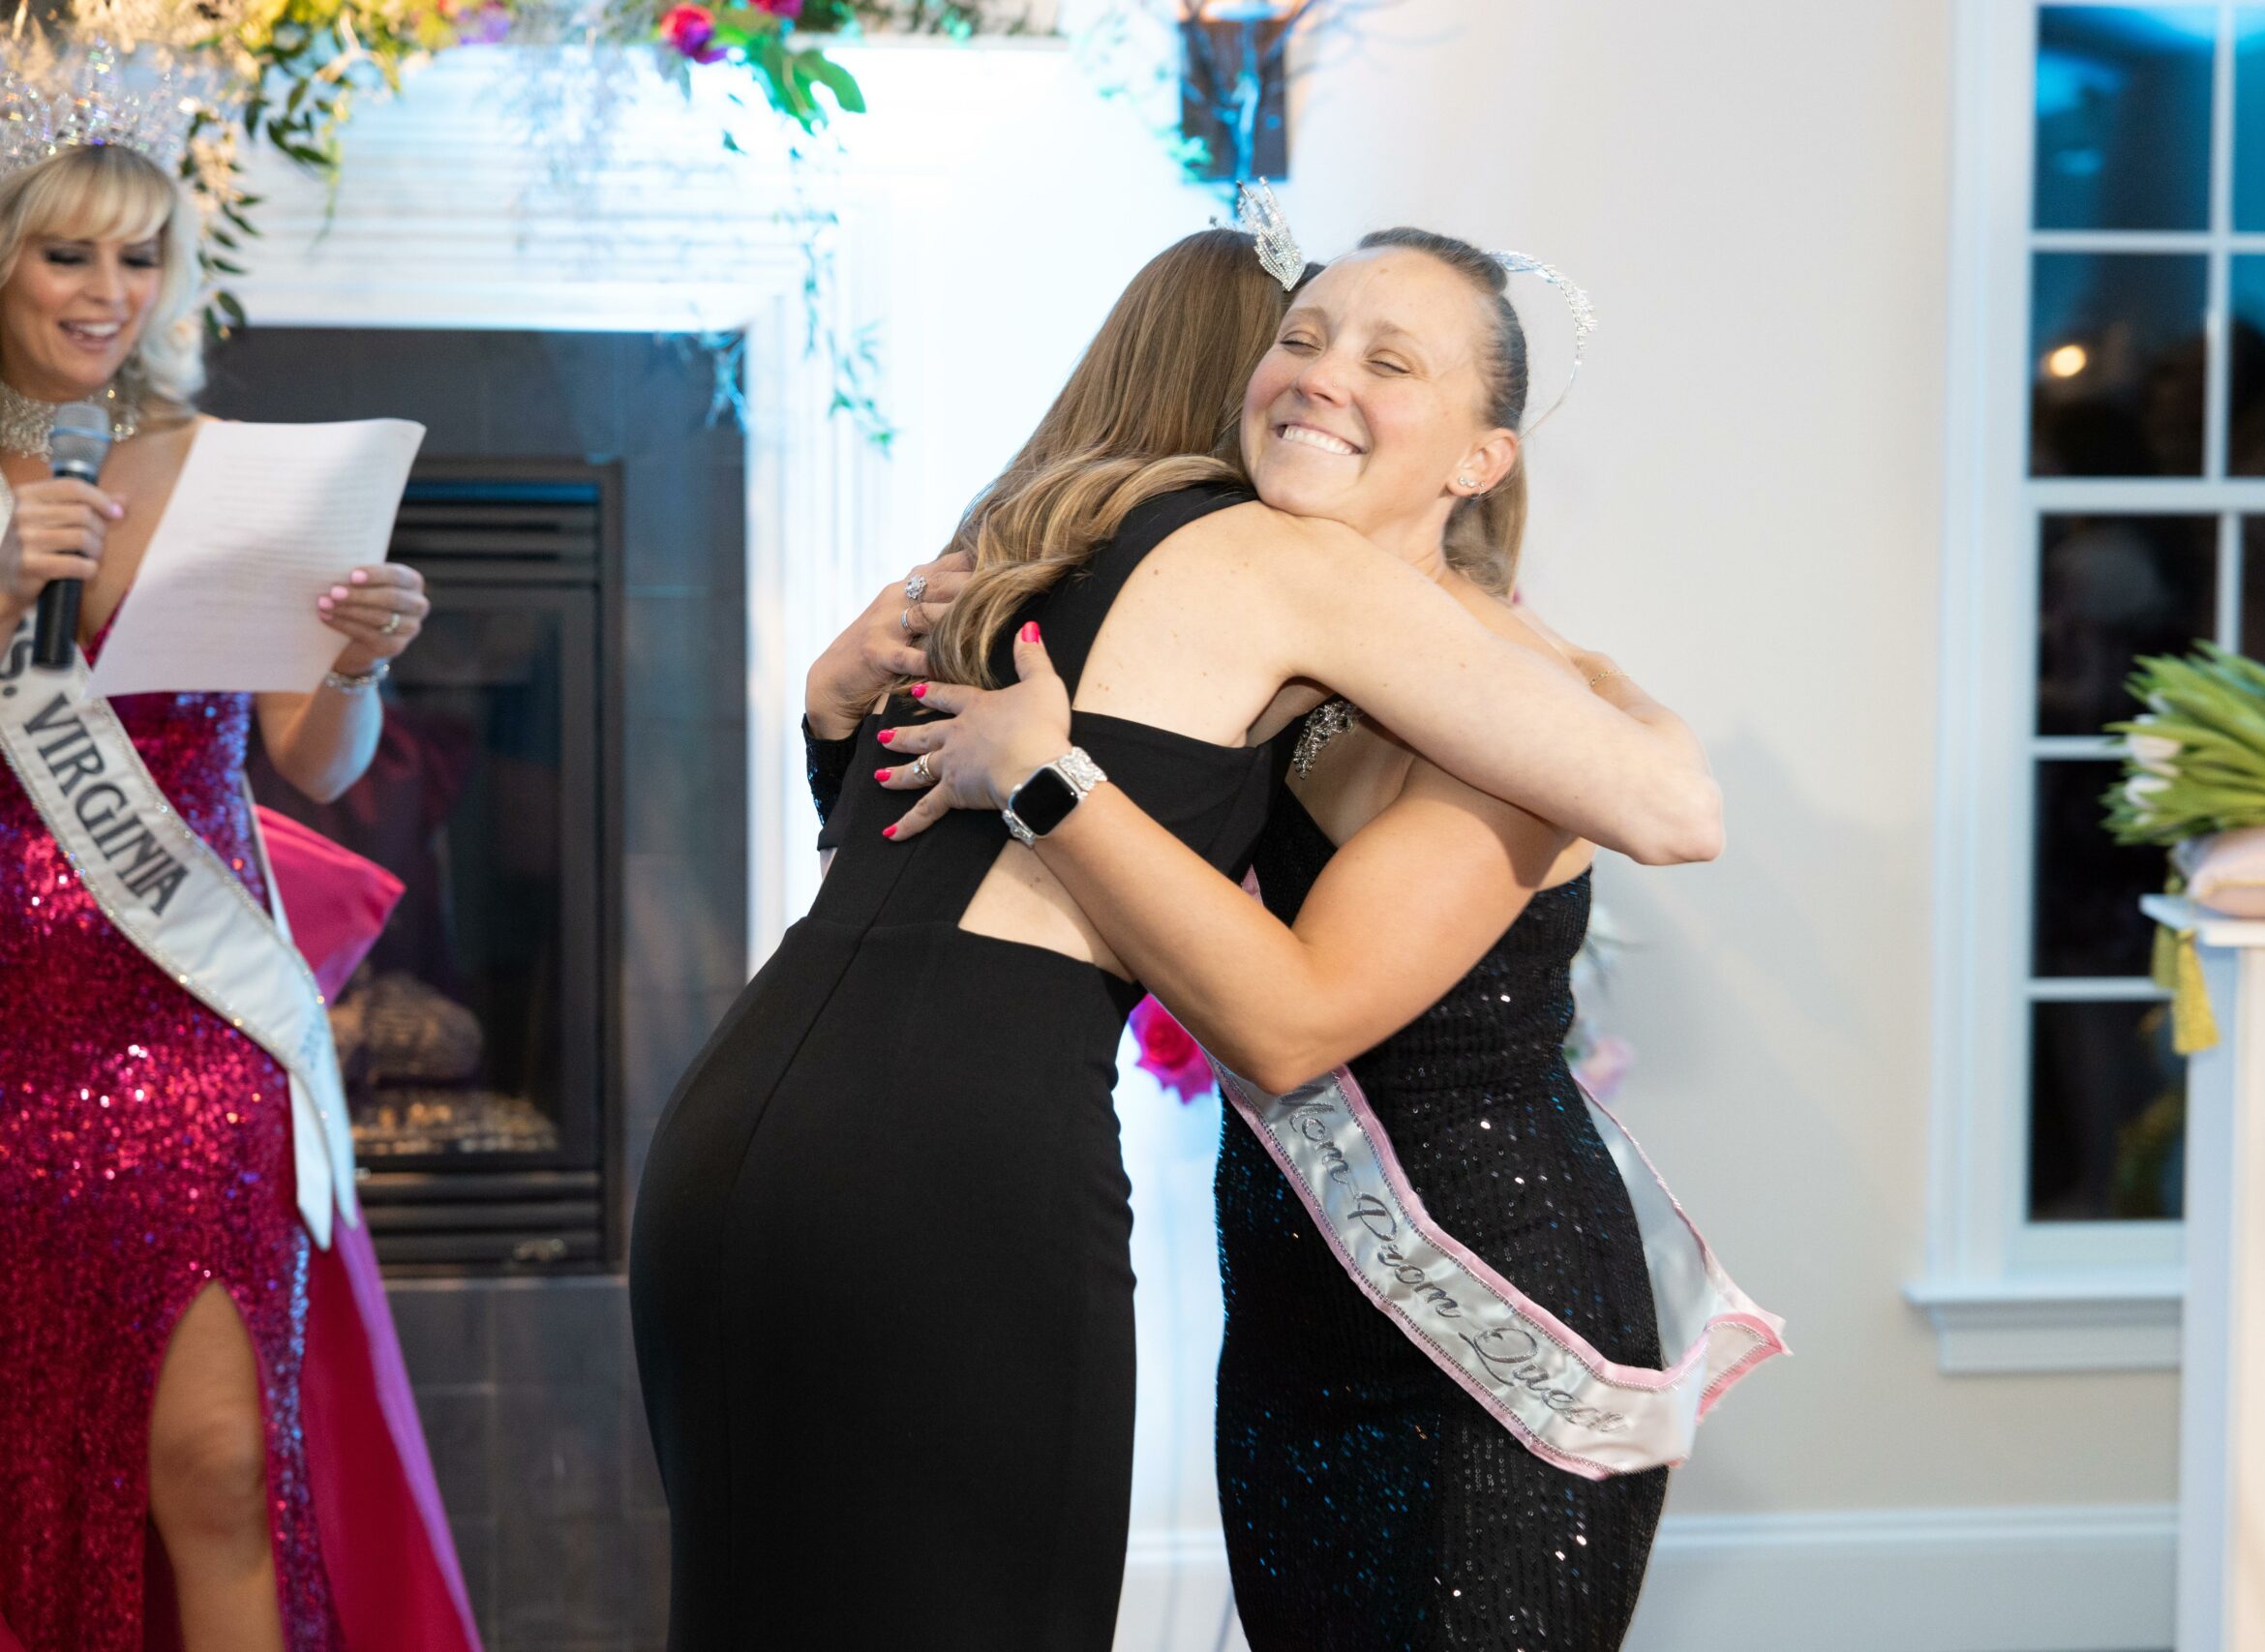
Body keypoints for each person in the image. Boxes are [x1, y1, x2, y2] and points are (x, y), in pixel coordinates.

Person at [628, 227, 1722, 1649]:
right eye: (1306, 336)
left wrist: (902, 739)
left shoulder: (1069, 552)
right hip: (990, 1166)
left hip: (748, 1127)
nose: (1323, 379)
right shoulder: (1256, 571)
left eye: (1386, 361)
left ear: (1480, 458)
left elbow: (1671, 806)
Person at [0, 106, 476, 1652]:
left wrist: (359, 660)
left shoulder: (219, 471)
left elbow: (319, 762)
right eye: (64, 252)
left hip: (192, 1035)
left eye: (139, 257)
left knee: (219, 1466)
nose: (104, 291)